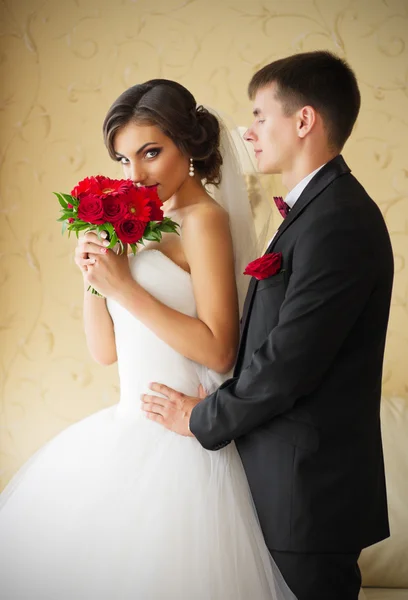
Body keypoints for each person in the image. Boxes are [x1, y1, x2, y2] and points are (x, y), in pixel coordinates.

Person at [0, 79, 296, 599]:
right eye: (121, 159)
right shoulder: (141, 223)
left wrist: (124, 287)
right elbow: (104, 352)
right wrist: (93, 276)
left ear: (189, 145)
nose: (134, 175)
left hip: (182, 442)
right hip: (125, 427)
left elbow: (219, 348)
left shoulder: (205, 220)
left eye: (151, 153)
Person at [142, 52, 394, 600]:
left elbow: (288, 364)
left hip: (308, 494)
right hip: (285, 484)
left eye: (260, 115)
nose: (248, 132)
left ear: (303, 121)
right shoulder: (315, 212)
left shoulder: (339, 220)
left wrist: (203, 418)